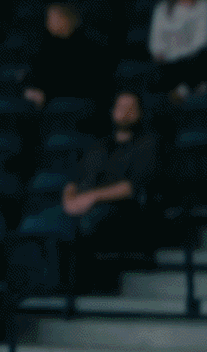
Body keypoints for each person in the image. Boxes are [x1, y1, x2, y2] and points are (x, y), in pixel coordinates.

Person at [61, 91, 160, 287]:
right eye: (121, 108)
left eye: (131, 109)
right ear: (113, 111)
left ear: (140, 113)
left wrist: (91, 198)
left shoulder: (147, 144)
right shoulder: (98, 145)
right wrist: (68, 201)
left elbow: (131, 187)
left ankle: (94, 284)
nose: (125, 113)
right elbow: (73, 180)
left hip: (122, 208)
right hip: (83, 203)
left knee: (89, 222)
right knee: (49, 221)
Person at [23, 2, 115, 110]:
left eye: (52, 18)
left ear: (66, 19)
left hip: (83, 102)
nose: (48, 22)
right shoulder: (43, 47)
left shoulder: (90, 46)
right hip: (50, 103)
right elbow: (34, 75)